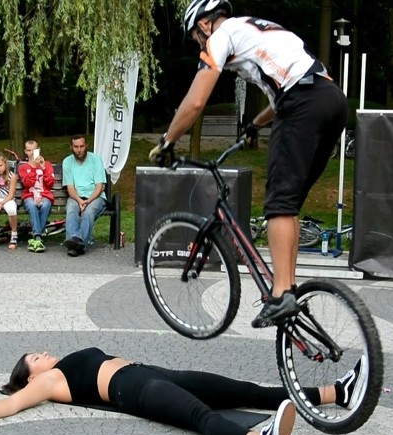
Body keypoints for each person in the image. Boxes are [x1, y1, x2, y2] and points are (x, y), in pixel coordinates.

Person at [149, 1, 348, 328]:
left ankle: (282, 293)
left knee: (279, 204)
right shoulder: (260, 29)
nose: (200, 45)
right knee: (290, 204)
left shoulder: (220, 35)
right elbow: (293, 81)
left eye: (196, 38)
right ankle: (288, 287)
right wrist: (255, 125)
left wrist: (168, 141)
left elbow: (196, 100)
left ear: (203, 24)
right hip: (332, 100)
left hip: (302, 103)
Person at [0, 347, 365, 435]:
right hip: (133, 391)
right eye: (34, 356)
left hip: (156, 372)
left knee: (248, 390)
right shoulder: (48, 381)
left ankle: (336, 394)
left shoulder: (55, 368)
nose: (43, 353)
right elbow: (11, 406)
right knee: (201, 417)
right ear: (30, 375)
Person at [61, 135, 107, 257]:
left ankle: (74, 242)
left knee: (89, 212)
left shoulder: (96, 159)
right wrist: (79, 200)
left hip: (95, 197)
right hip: (76, 197)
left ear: (86, 145)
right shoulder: (67, 162)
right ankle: (78, 244)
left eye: (81, 146)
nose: (79, 149)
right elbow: (70, 187)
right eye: (76, 147)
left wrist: (88, 201)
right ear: (71, 147)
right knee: (71, 210)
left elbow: (99, 186)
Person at [18, 140, 55, 253]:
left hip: (44, 194)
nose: (31, 153)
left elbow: (51, 183)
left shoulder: (47, 164)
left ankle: (36, 236)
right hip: (30, 195)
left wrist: (43, 169)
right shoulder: (23, 167)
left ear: (38, 150)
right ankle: (38, 236)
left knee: (45, 205)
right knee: (32, 205)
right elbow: (27, 183)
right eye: (28, 150)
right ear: (25, 152)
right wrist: (34, 167)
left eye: (34, 150)